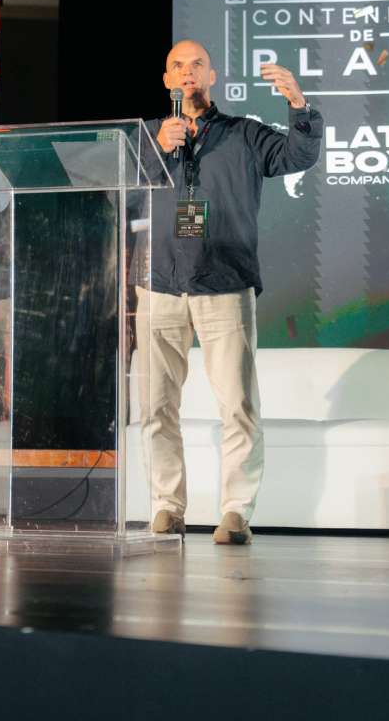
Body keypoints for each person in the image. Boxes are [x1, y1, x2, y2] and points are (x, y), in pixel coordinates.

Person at [137, 40, 322, 544]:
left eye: (197, 64)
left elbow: (298, 155)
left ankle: (236, 510)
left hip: (224, 282)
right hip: (159, 284)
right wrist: (158, 148)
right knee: (155, 407)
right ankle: (166, 505)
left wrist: (298, 104)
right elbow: (122, 191)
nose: (187, 72)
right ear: (166, 80)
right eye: (177, 66)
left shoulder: (244, 134)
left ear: (212, 76)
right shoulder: (147, 138)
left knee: (237, 404)